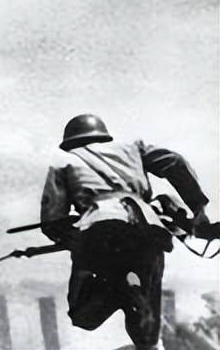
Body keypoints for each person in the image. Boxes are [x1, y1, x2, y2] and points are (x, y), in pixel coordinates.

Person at [40, 113, 213, 350]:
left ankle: (120, 289)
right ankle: (134, 302)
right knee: (146, 334)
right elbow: (175, 162)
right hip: (148, 229)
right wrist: (198, 207)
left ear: (70, 141)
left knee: (82, 315)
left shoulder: (64, 161)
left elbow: (52, 220)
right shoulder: (134, 148)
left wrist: (70, 237)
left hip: (100, 230)